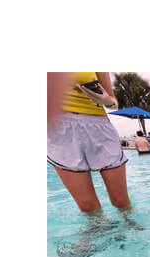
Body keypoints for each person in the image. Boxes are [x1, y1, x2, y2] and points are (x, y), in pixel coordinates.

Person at [47, 72, 129, 212]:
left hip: (99, 126)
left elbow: (113, 103)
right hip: (60, 130)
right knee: (88, 206)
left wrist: (105, 100)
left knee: (121, 201)